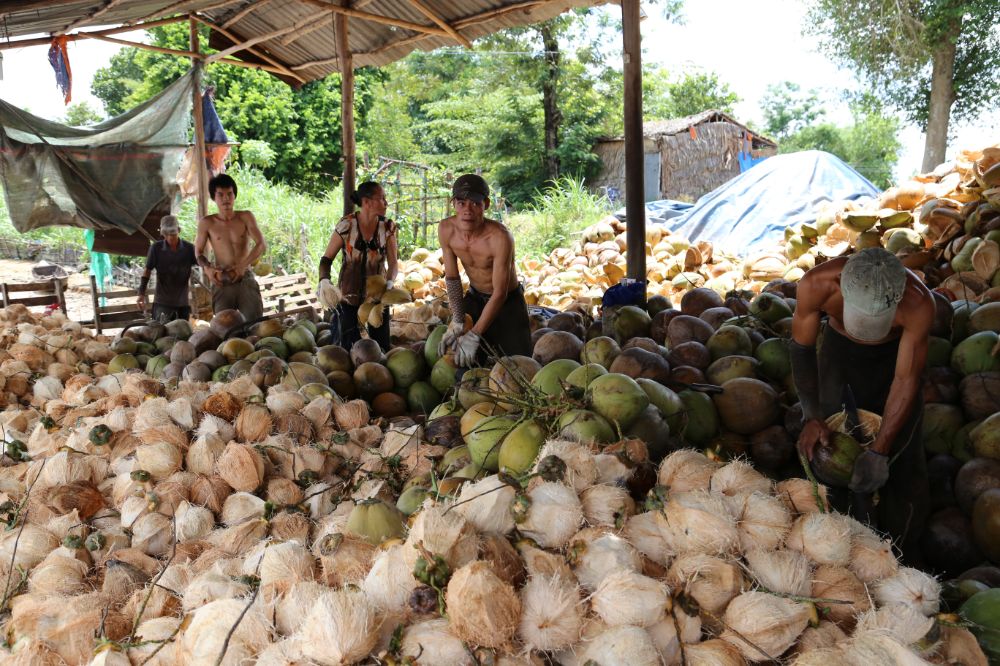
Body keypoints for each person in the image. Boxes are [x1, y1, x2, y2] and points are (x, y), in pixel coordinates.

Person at [790, 247, 934, 562]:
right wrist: (812, 417)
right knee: (830, 451)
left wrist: (880, 451)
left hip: (894, 360)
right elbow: (802, 350)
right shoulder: (816, 285)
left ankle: (902, 553)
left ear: (897, 299)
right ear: (842, 285)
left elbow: (906, 379)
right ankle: (835, 545)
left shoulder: (919, 304)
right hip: (838, 356)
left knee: (901, 461)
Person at [437, 174, 531, 366]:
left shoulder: (500, 237)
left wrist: (474, 334)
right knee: (463, 361)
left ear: (486, 205)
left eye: (475, 203)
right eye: (461, 203)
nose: (467, 210)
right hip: (475, 297)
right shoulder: (446, 229)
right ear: (453, 203)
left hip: (507, 303)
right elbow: (452, 278)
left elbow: (500, 293)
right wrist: (457, 320)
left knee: (519, 367)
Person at [316, 182, 398, 351]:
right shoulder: (347, 225)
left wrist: (389, 283)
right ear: (367, 202)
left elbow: (393, 263)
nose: (386, 202)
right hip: (348, 297)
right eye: (382, 198)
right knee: (347, 348)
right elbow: (326, 259)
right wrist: (324, 280)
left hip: (377, 297)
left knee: (380, 347)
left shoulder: (387, 227)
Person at [195, 173, 267, 322]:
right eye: (220, 195)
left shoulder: (245, 217)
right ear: (214, 197)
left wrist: (242, 266)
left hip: (244, 278)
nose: (226, 199)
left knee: (254, 323)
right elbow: (198, 252)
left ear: (235, 196)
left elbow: (261, 244)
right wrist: (208, 269)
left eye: (229, 194)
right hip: (221, 279)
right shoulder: (207, 223)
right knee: (225, 327)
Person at [137, 215, 197, 323]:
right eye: (169, 235)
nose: (172, 237)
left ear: (179, 230)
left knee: (182, 335)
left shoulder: (189, 249)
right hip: (162, 302)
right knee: (161, 334)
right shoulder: (156, 248)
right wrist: (141, 293)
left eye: (174, 234)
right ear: (163, 234)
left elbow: (202, 263)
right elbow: (147, 270)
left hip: (182, 302)